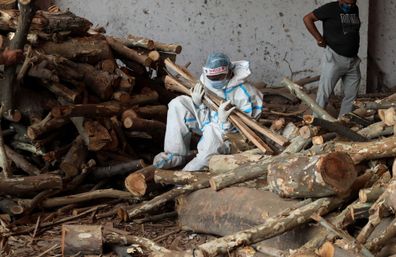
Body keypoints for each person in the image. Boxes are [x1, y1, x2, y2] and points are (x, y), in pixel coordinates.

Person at [153, 52, 263, 171]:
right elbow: (205, 112)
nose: (214, 80)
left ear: (229, 72)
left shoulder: (246, 94)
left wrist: (225, 123)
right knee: (178, 104)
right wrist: (197, 104)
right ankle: (175, 154)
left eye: (219, 77)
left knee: (205, 155)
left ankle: (188, 174)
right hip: (207, 120)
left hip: (225, 133)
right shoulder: (206, 81)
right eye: (212, 77)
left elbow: (246, 130)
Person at [303, 0, 361, 118]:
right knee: (324, 94)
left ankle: (344, 124)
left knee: (351, 95)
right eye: (346, 3)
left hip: (353, 60)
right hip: (335, 57)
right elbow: (307, 19)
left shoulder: (355, 9)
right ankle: (316, 124)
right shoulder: (330, 8)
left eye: (352, 3)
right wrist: (319, 39)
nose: (349, 6)